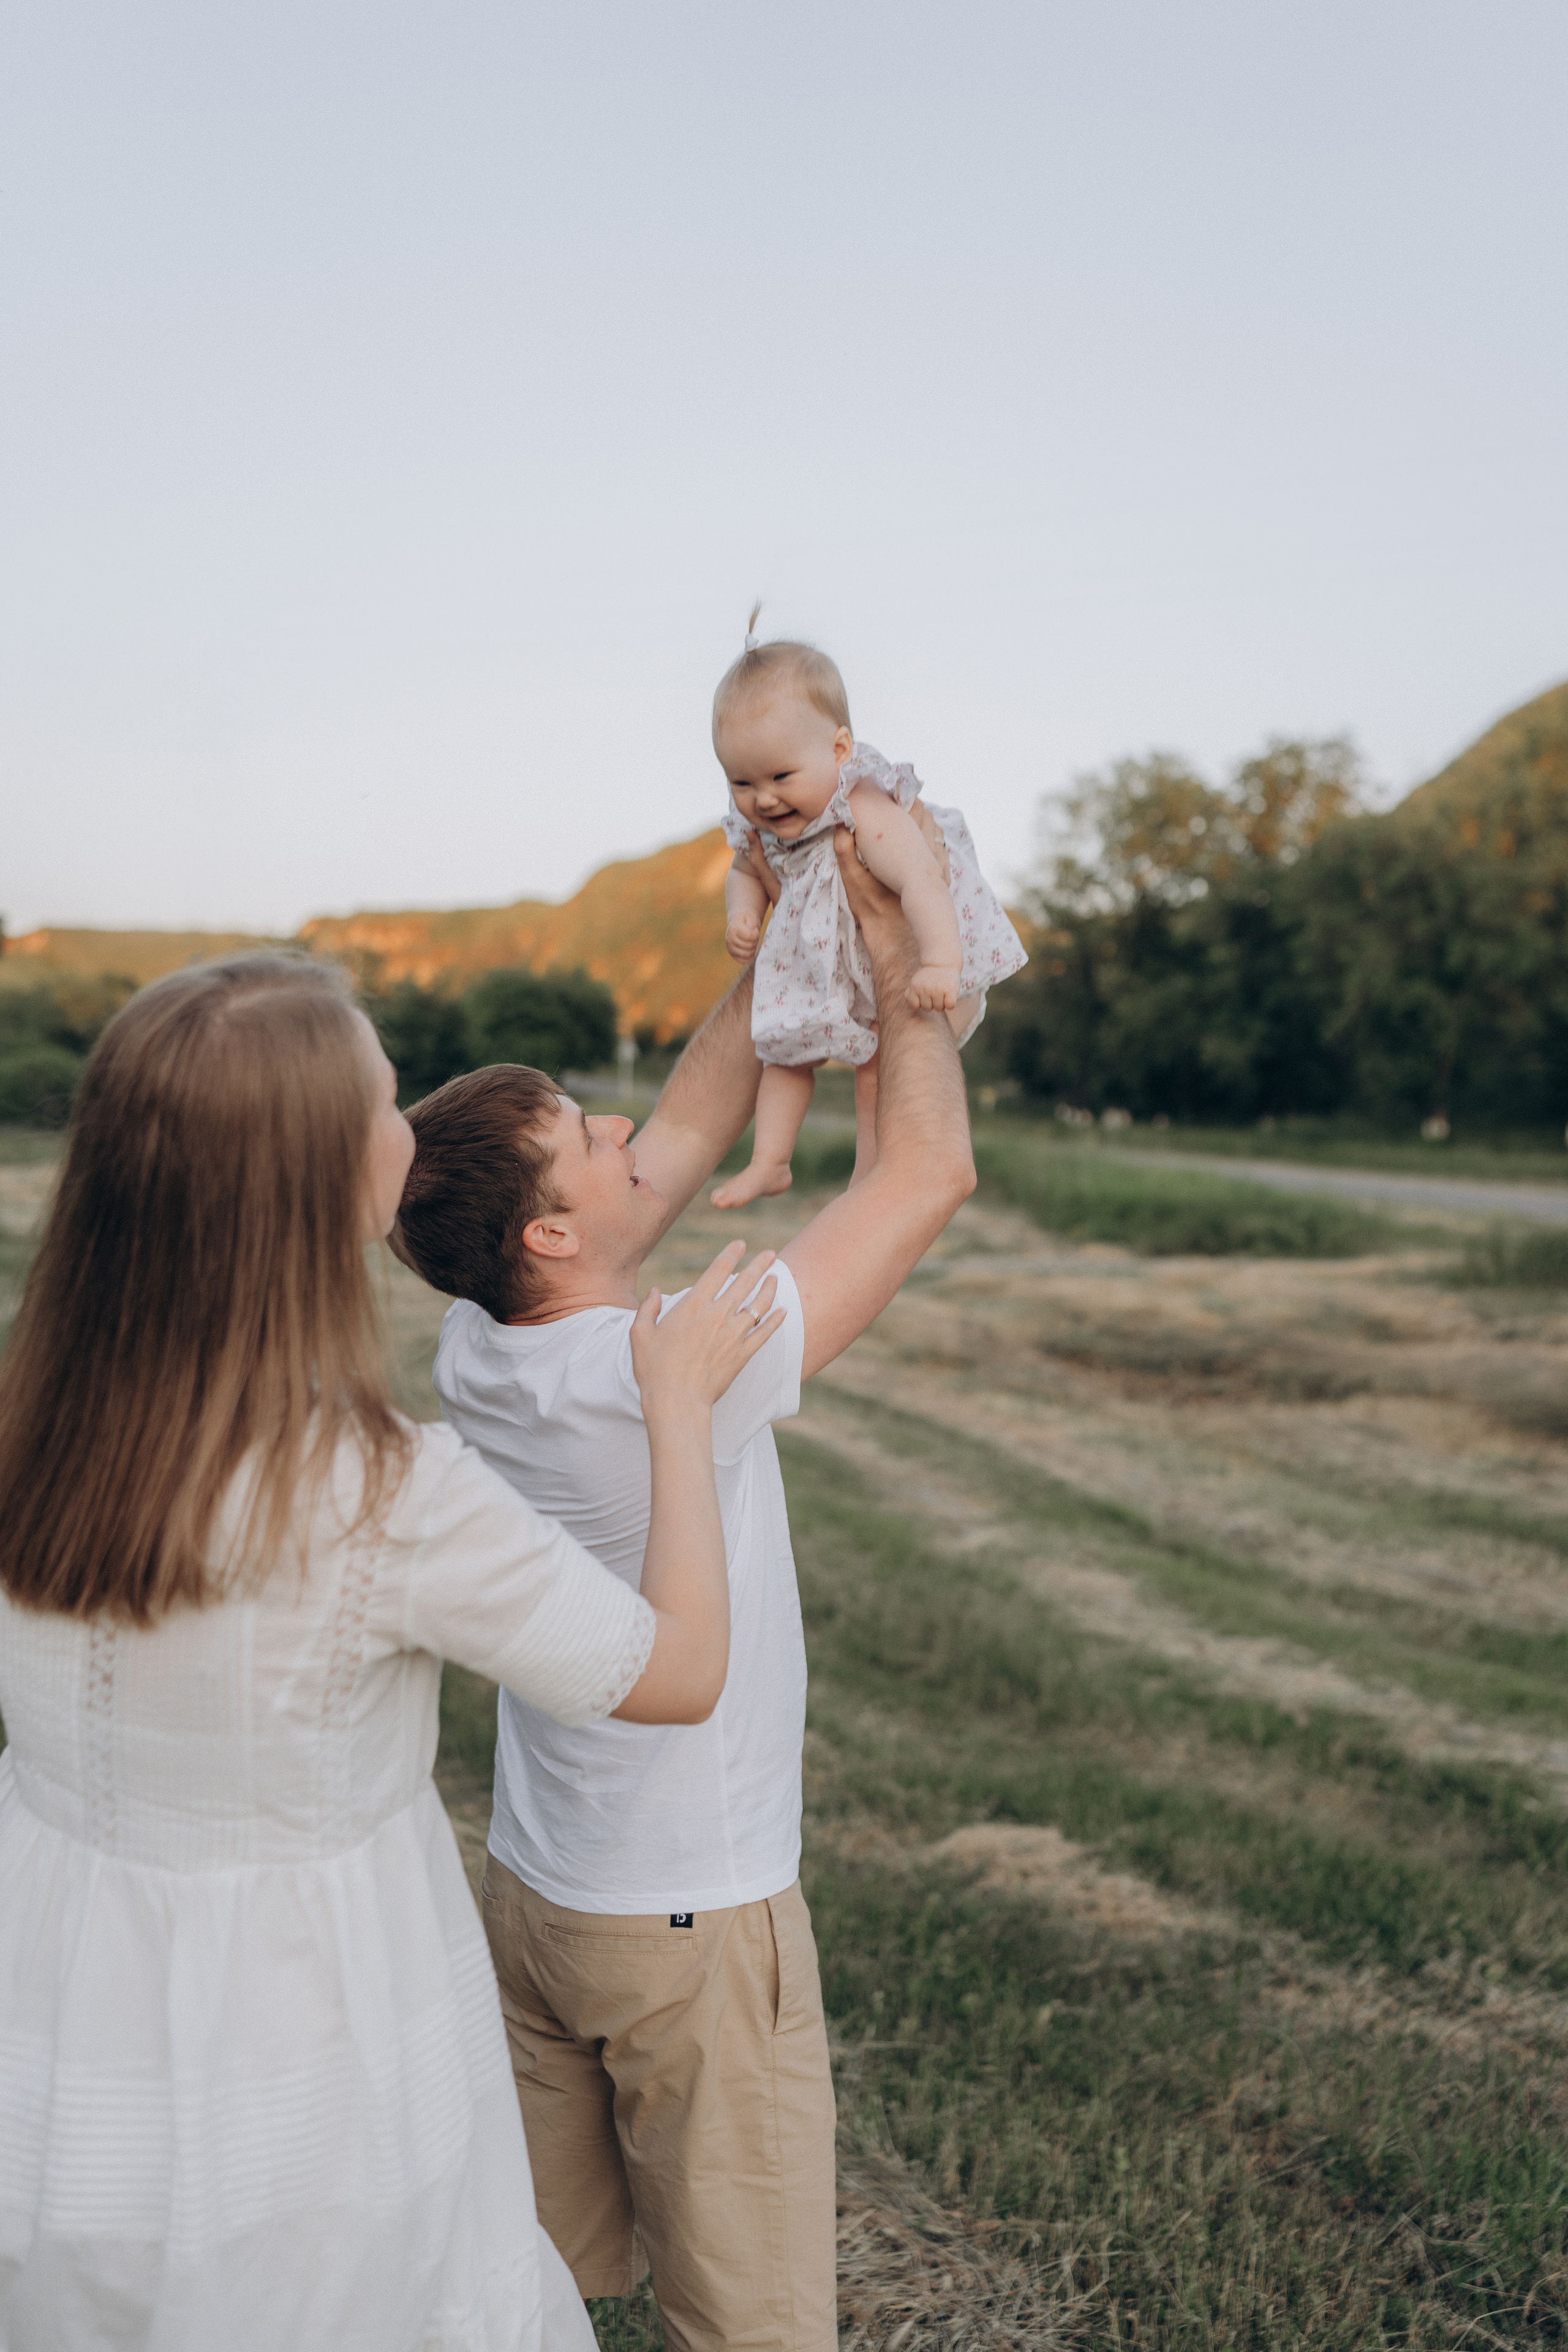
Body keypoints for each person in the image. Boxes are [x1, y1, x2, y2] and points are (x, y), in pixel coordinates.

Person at [0, 952, 784, 2352]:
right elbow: (674, 1673)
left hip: (65, 1994)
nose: (410, 1132)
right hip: (317, 2024)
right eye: (381, 1104)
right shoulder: (382, 1493)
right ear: (307, 1183)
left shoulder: (31, 1429)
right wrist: (675, 1407)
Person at [390, 834, 978, 2351]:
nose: (621, 1127)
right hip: (686, 1911)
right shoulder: (663, 1366)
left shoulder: (482, 1342)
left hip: (537, 1890)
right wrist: (913, 957)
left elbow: (672, 1141)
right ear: (551, 1235)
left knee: (548, 2281)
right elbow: (925, 1176)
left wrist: (792, 926)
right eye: (588, 1132)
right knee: (753, 2322)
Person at [712, 606, 1026, 1207]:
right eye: (742, 783)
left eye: (780, 774)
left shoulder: (863, 804)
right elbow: (743, 867)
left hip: (914, 959)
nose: (765, 798)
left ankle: (870, 1176)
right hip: (833, 962)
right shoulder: (763, 827)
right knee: (782, 1049)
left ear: (839, 748)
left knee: (877, 1073)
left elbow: (920, 880)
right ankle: (770, 1161)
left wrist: (939, 963)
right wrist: (741, 912)